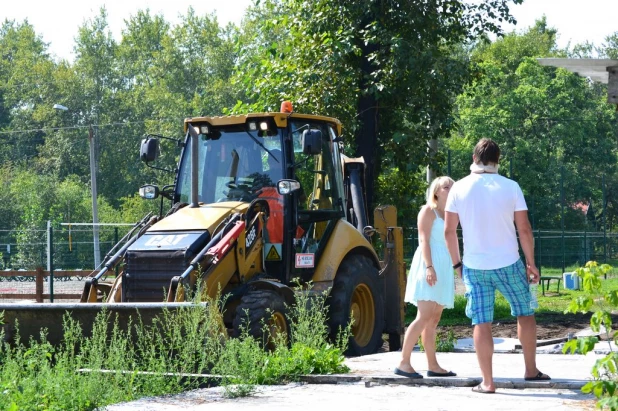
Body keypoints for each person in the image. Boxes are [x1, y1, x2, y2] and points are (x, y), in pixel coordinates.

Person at [444, 138, 550, 394]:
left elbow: (449, 231)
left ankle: (488, 382)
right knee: (524, 313)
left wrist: (457, 264)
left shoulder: (458, 188)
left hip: (474, 265)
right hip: (509, 263)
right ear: (497, 160)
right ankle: (530, 370)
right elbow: (523, 229)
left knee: (481, 321)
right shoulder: (511, 187)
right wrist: (531, 263)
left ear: (474, 158)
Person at [394, 176, 457, 379]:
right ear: (436, 191)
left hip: (444, 266)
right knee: (423, 316)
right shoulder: (428, 210)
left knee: (434, 318)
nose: (450, 189)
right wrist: (429, 267)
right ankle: (404, 363)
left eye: (452, 186)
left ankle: (433, 365)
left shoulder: (449, 213)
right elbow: (423, 240)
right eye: (446, 187)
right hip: (429, 264)